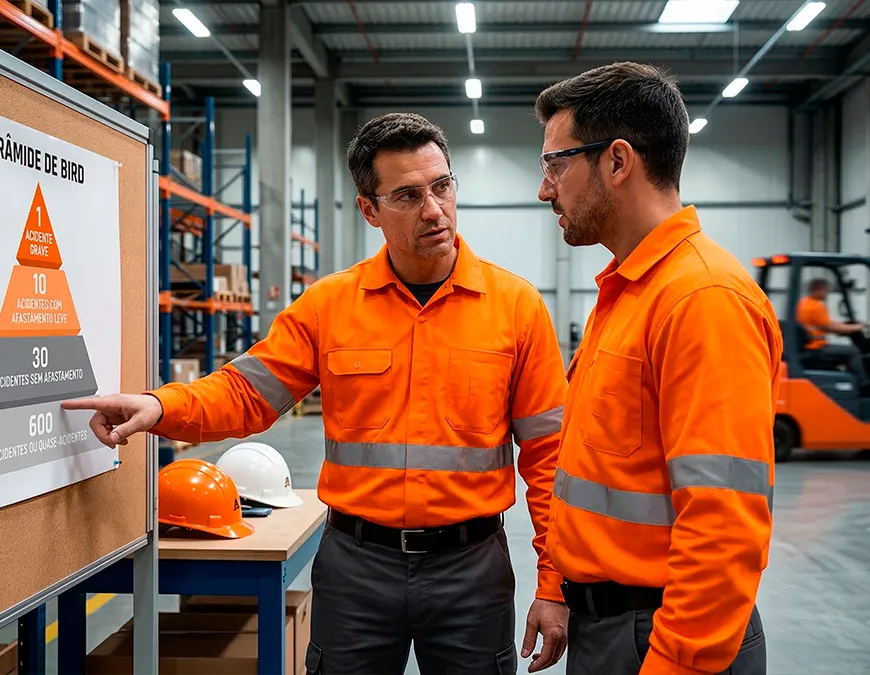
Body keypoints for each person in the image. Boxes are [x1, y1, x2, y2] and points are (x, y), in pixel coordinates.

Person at [63, 112, 569, 675]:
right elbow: (244, 393)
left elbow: (551, 460)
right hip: (357, 570)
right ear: (369, 209)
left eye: (442, 186)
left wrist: (554, 582)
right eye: (407, 195)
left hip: (471, 572)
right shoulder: (331, 306)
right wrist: (160, 406)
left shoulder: (516, 307)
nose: (434, 209)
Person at [534, 62, 781, 675]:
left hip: (664, 637)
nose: (546, 189)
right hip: (613, 625)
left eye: (556, 163)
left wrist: (675, 662)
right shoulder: (629, 292)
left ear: (618, 162)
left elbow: (723, 526)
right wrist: (557, 585)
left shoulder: (702, 299)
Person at [796, 277, 867, 386]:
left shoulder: (804, 303)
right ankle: (863, 385)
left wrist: (848, 326)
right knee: (853, 352)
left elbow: (827, 324)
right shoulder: (816, 306)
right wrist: (856, 328)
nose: (827, 294)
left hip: (809, 347)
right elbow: (830, 327)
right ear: (818, 290)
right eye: (826, 290)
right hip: (816, 349)